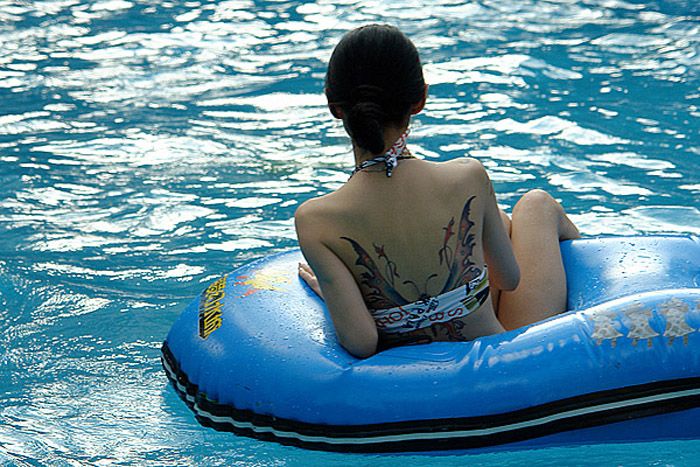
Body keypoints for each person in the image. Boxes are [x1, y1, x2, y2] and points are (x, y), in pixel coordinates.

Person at [295, 24, 580, 358]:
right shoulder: (467, 177)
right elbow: (508, 279)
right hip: (501, 356)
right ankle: (594, 282)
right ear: (420, 100)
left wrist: (335, 297)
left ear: (334, 107)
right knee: (536, 205)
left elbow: (362, 342)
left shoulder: (315, 220)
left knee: (500, 222)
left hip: (419, 376)